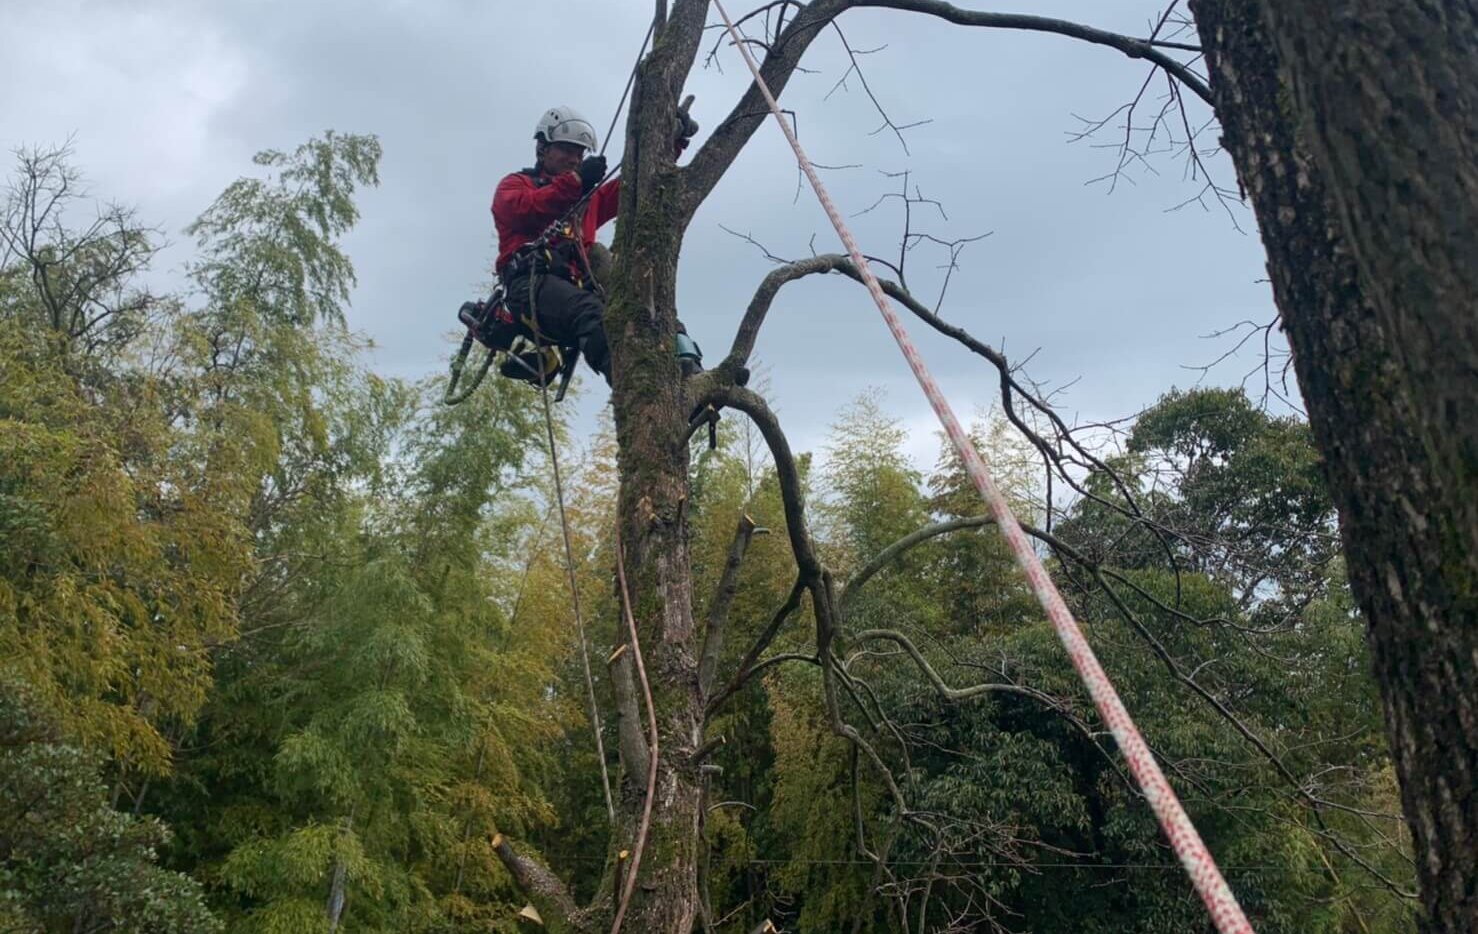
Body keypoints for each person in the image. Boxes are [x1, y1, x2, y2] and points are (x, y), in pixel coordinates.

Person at [492, 105, 698, 386]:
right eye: (566, 149)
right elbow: (528, 208)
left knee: (651, 309)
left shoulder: (588, 198)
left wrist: (670, 144)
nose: (574, 158)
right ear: (543, 148)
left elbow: (633, 186)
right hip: (531, 286)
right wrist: (576, 183)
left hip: (579, 287)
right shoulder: (517, 185)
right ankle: (634, 386)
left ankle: (689, 368)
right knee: (592, 312)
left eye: (579, 152)